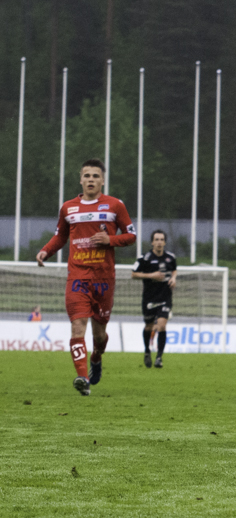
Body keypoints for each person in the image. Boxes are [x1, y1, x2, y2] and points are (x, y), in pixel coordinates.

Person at [36, 158, 136, 396]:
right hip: (78, 276)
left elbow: (131, 236)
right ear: (80, 179)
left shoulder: (114, 206)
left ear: (102, 180)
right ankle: (82, 378)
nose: (91, 180)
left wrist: (109, 240)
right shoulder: (68, 208)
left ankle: (96, 357)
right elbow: (60, 237)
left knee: (99, 334)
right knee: (77, 326)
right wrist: (45, 251)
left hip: (104, 279)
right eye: (87, 176)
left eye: (95, 176)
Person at [131, 229, 177, 368]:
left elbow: (174, 270)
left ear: (165, 242)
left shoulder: (170, 257)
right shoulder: (144, 258)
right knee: (149, 326)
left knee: (162, 325)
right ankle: (147, 351)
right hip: (149, 298)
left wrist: (174, 278)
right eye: (156, 239)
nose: (159, 242)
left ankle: (159, 358)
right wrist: (151, 275)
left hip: (165, 297)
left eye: (161, 240)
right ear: (152, 242)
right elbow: (134, 274)